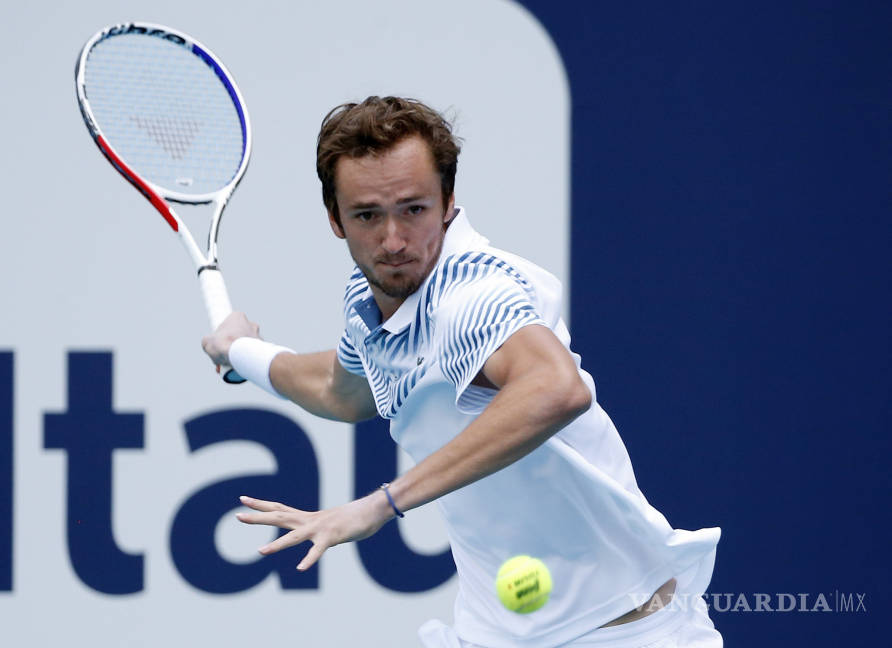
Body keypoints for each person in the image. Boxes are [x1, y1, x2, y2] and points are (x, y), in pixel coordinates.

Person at [201, 96, 723, 648]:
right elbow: (343, 391)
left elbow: (555, 387)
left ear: (449, 202)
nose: (394, 240)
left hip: (625, 633)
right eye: (367, 216)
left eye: (414, 209)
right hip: (498, 633)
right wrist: (241, 355)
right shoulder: (370, 296)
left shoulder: (472, 296)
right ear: (335, 220)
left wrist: (381, 505)